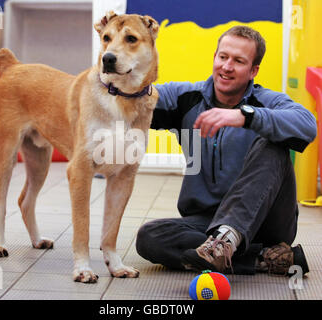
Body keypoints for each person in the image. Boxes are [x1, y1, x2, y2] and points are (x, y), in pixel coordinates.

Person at [135, 26, 316, 276]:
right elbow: (138, 100)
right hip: (206, 222)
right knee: (149, 237)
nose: (227, 67)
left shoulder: (266, 101)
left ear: (253, 71)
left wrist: (245, 116)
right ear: (214, 58)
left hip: (266, 223)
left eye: (239, 61)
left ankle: (228, 241)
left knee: (273, 142)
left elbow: (307, 124)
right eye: (223, 57)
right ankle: (262, 259)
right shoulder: (188, 98)